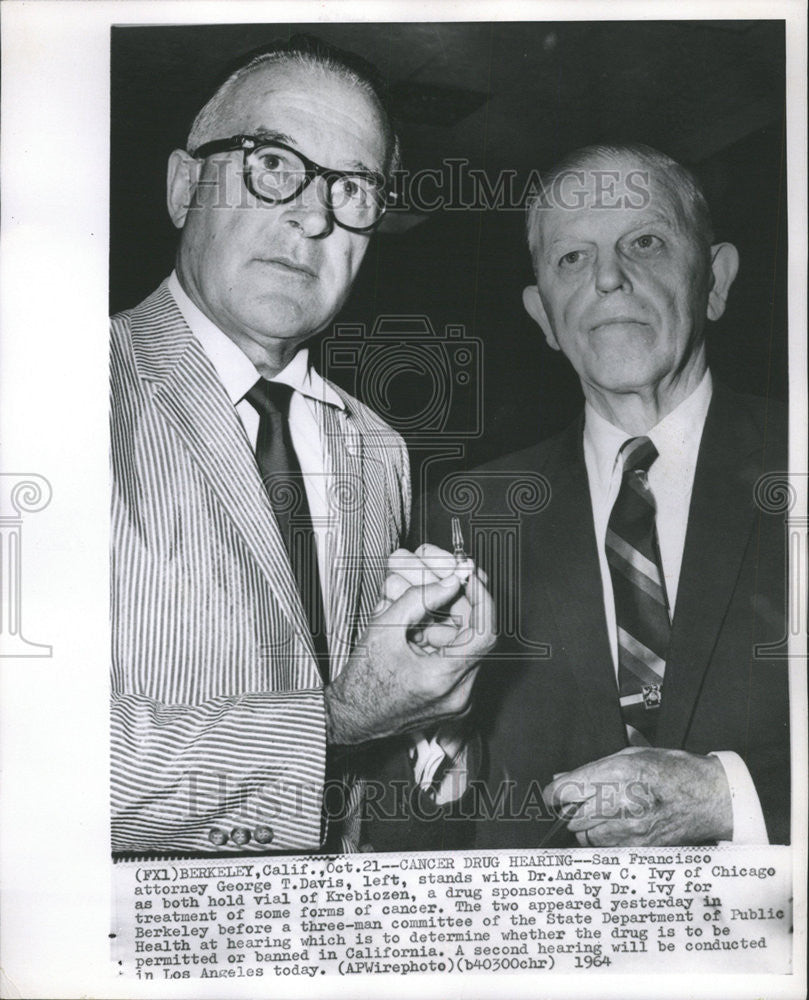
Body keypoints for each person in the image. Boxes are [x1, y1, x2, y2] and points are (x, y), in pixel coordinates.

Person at [110, 36, 494, 857]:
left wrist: (426, 685)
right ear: (184, 186)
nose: (314, 215)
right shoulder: (50, 389)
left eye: (351, 188)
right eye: (272, 163)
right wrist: (340, 717)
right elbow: (33, 757)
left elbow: (369, 753)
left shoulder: (378, 448)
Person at [380, 142, 789, 850]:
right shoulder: (466, 515)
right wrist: (430, 728)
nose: (607, 277)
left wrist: (729, 798)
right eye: (571, 257)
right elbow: (413, 827)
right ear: (541, 314)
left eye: (645, 242)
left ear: (714, 281)